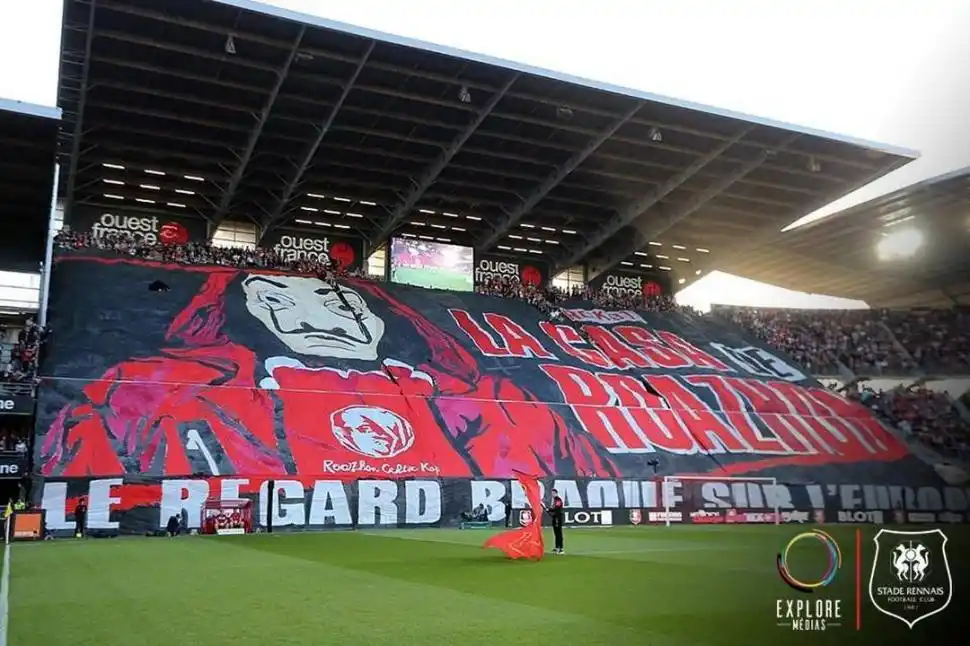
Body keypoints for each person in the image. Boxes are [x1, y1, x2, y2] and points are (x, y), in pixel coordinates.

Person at [40, 269, 618, 480]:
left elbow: (574, 465)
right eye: (276, 299)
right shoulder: (148, 391)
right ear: (247, 313)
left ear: (378, 317)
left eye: (345, 302)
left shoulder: (495, 399)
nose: (327, 314)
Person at [546, 488, 565, 554]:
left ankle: (561, 549)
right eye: (552, 493)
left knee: (559, 534)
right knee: (556, 534)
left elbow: (556, 508)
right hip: (555, 518)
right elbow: (553, 508)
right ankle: (557, 547)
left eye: (554, 493)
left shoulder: (558, 500)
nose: (552, 494)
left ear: (556, 493)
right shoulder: (554, 500)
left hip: (558, 518)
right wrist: (550, 510)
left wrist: (549, 510)